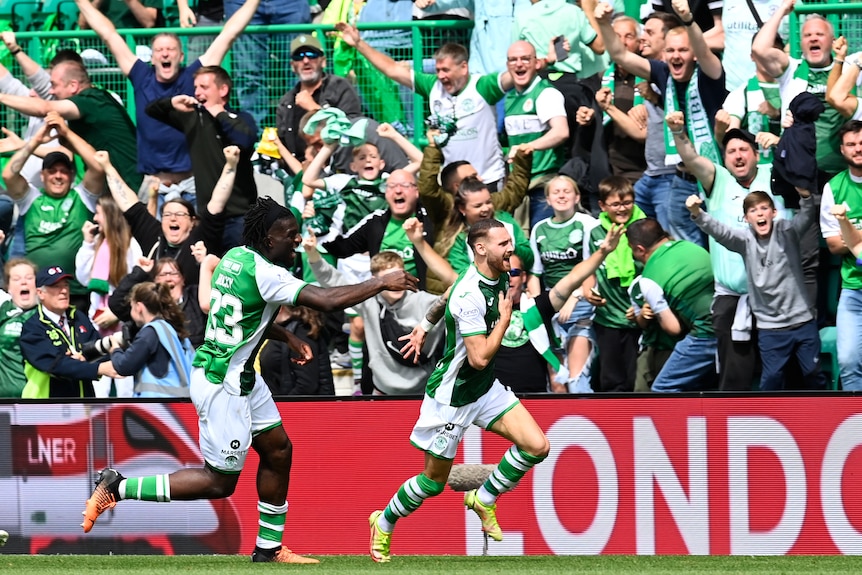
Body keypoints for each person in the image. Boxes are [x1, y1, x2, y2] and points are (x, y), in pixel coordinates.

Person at [80, 196, 419, 565]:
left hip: (240, 376)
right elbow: (324, 300)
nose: (296, 240)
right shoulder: (268, 273)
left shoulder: (236, 258)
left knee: (278, 450)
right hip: (222, 383)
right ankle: (117, 485)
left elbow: (245, 314)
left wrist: (287, 336)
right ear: (269, 239)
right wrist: (382, 281)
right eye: (289, 235)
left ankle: (269, 549)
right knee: (219, 482)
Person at [368, 217, 624, 562]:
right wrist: (503, 321)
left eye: (510, 242)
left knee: (537, 445)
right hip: (452, 398)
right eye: (503, 244)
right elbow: (478, 357)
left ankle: (483, 498)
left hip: (485, 389)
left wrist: (424, 325)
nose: (511, 248)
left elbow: (446, 293)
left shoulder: (495, 273)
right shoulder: (472, 296)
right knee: (432, 483)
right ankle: (382, 521)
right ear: (480, 248)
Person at [74, 0, 261, 211]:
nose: (165, 54)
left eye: (171, 49)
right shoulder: (141, 77)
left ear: (180, 56)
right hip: (154, 185)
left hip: (192, 186)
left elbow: (228, 35)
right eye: (160, 50)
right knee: (150, 242)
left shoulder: (192, 78)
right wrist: (81, 2)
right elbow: (109, 34)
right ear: (152, 58)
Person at [596, 0, 727, 247]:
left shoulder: (710, 72)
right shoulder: (662, 72)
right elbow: (620, 55)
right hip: (682, 180)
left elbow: (704, 51)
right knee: (686, 246)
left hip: (714, 178)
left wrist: (687, 20)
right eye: (671, 51)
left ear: (694, 54)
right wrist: (603, 24)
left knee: (721, 243)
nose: (676, 56)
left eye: (683, 50)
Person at [666, 114, 783, 390]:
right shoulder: (718, 179)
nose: (738, 156)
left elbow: (803, 161)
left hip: (775, 297)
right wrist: (678, 131)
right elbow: (692, 158)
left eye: (744, 150)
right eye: (731, 151)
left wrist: (780, 140)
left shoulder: (774, 174)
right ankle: (735, 429)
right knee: (734, 377)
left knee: (778, 374)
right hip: (732, 300)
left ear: (756, 155)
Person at [336, 22, 512, 189]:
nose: (441, 76)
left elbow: (509, 78)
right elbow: (392, 70)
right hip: (453, 183)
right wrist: (359, 43)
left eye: (446, 70)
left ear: (464, 67)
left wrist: (530, 64)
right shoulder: (433, 86)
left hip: (488, 178)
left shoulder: (482, 86)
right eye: (438, 70)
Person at [687, 188, 824, 390]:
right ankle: (768, 419)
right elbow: (720, 231)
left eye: (764, 208)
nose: (759, 213)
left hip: (802, 321)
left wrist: (805, 196)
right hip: (770, 327)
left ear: (774, 213)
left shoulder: (787, 231)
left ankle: (822, 416)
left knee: (813, 374)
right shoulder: (744, 240)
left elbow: (805, 217)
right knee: (771, 379)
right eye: (753, 210)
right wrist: (698, 213)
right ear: (746, 218)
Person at [305, 234, 444, 395]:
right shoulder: (369, 302)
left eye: (399, 276)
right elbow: (333, 281)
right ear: (375, 281)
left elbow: (453, 301)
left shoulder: (423, 301)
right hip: (382, 392)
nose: (396, 284)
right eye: (388, 279)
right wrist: (312, 253)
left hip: (424, 393)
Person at [146, 66, 258, 249]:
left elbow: (245, 140)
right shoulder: (194, 120)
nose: (197, 92)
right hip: (207, 217)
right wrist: (172, 102)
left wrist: (219, 114)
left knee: (240, 272)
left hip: (239, 217)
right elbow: (151, 110)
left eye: (204, 87)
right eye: (195, 87)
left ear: (223, 90)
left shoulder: (241, 118)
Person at [2, 113, 104, 311]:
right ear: (43, 175)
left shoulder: (82, 197)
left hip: (75, 292)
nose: (58, 176)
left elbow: (98, 166)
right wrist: (36, 140)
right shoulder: (31, 198)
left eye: (64, 171)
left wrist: (66, 132)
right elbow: (9, 174)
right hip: (38, 291)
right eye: (52, 171)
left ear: (72, 174)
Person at [96, 144, 239, 287]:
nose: (173, 218)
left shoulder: (200, 240)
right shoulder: (154, 237)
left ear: (192, 221)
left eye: (179, 214)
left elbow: (217, 203)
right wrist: (108, 167)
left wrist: (230, 165)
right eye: (167, 214)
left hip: (192, 307)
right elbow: (128, 204)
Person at [0, 60, 141, 191]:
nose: (51, 91)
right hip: (118, 188)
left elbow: (44, 108)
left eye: (54, 85)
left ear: (73, 86)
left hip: (132, 187)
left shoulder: (91, 101)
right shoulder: (88, 106)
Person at [627, 218, 717, 392]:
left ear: (639, 249)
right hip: (734, 324)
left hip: (706, 333)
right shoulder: (692, 247)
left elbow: (673, 328)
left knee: (662, 390)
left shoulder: (648, 279)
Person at [527, 175, 599, 393]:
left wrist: (574, 297)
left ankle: (588, 421)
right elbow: (534, 273)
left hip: (581, 304)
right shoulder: (539, 228)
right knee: (558, 381)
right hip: (552, 309)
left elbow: (591, 269)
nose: (561, 195)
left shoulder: (588, 224)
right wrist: (540, 311)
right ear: (547, 199)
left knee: (577, 380)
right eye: (555, 192)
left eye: (567, 191)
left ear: (577, 197)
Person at [582, 176, 645, 392]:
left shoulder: (645, 228)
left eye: (627, 202)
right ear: (602, 205)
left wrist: (640, 305)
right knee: (611, 380)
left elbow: (655, 271)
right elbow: (589, 267)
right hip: (607, 317)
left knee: (635, 380)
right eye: (615, 204)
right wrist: (588, 290)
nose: (622, 209)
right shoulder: (595, 232)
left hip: (637, 319)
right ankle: (615, 423)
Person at [20, 266, 119, 398]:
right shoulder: (33, 328)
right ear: (40, 293)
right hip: (45, 409)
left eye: (66, 285)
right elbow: (55, 365)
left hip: (83, 406)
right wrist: (97, 369)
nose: (64, 291)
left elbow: (99, 350)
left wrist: (86, 357)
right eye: (55, 286)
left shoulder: (78, 317)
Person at [503, 40, 569, 227]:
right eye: (513, 60)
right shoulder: (508, 99)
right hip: (517, 185)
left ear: (536, 63)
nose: (519, 64)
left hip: (543, 184)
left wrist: (530, 147)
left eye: (525, 59)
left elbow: (561, 131)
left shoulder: (546, 93)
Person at [819, 120, 862, 390]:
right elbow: (834, 246)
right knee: (847, 360)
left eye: (861, 143)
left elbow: (843, 239)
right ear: (842, 150)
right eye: (851, 144)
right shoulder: (833, 189)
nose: (858, 149)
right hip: (853, 289)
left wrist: (852, 232)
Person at [276, 34, 363, 166]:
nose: (305, 61)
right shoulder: (286, 101)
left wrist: (314, 108)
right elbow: (283, 140)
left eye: (311, 55)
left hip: (337, 168)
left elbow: (353, 128)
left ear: (323, 61)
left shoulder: (340, 87)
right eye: (299, 57)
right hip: (299, 172)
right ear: (293, 66)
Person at [108, 282, 195, 397]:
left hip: (157, 406)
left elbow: (124, 366)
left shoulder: (150, 333)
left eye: (131, 306)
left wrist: (115, 350)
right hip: (179, 405)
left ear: (139, 307)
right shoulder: (172, 328)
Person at [110, 256, 207, 349]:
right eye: (162, 275)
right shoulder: (149, 305)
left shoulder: (196, 296)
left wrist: (205, 264)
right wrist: (140, 272)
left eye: (174, 273)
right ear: (155, 282)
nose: (168, 279)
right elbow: (116, 304)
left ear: (183, 279)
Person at [0, 256, 38, 398]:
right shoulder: (3, 308)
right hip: (4, 401)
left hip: (35, 400)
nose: (23, 282)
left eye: (29, 278)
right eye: (16, 279)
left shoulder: (48, 314)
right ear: (8, 288)